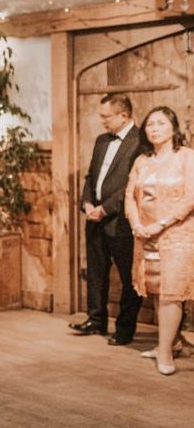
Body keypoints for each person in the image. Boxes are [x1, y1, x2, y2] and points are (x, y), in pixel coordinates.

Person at [125, 106, 194, 375]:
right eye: (150, 124)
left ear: (173, 129)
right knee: (155, 287)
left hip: (176, 234)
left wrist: (162, 224)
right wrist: (137, 224)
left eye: (161, 123)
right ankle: (167, 343)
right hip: (145, 235)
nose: (154, 128)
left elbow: (191, 196)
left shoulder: (187, 157)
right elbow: (130, 196)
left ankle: (165, 352)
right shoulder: (142, 160)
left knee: (171, 292)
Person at [70, 93, 142, 345]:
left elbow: (134, 187)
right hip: (95, 217)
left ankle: (124, 329)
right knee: (96, 271)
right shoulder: (102, 140)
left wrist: (106, 208)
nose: (102, 121)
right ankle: (96, 320)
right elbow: (92, 176)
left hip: (121, 219)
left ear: (124, 115)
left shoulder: (141, 141)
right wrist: (87, 203)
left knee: (128, 277)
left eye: (106, 116)